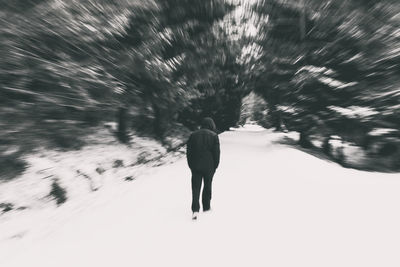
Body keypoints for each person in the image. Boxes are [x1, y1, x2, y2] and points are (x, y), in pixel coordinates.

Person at [186, 117, 220, 220]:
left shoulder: (193, 135)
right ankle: (206, 207)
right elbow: (216, 153)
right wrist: (215, 166)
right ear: (211, 125)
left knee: (195, 188)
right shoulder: (214, 136)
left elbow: (189, 152)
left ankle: (195, 210)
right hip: (209, 166)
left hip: (196, 165)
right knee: (207, 186)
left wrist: (191, 165)